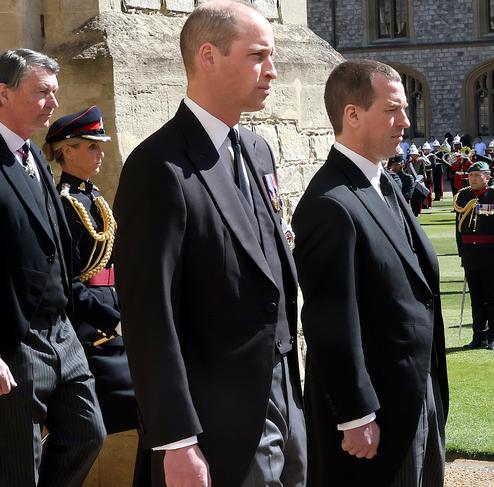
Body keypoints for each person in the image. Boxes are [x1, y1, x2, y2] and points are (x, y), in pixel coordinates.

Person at [113, 2, 307, 486]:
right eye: (258, 55)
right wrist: (176, 439)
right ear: (208, 56)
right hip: (216, 416)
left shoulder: (256, 150)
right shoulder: (159, 166)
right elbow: (149, 313)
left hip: (284, 393)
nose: (273, 72)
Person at [292, 59, 448, 487]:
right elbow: (330, 319)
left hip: (414, 391)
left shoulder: (385, 186)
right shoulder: (330, 203)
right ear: (353, 115)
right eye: (393, 109)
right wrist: (356, 413)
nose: (406, 121)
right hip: (377, 410)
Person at [0, 48, 106, 486]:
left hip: (61, 333)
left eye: (55, 93)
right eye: (42, 92)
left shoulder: (33, 158)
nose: (53, 103)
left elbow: (58, 250)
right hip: (15, 339)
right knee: (19, 465)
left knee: (88, 433)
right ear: (3, 94)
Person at [43, 106, 149, 485]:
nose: (100, 154)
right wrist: (113, 319)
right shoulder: (64, 203)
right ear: (67, 151)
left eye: (100, 147)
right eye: (91, 147)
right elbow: (69, 283)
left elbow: (114, 264)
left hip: (115, 321)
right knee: (94, 429)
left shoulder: (94, 199)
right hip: (92, 332)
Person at [453, 160, 494, 350]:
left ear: (487, 177)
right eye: (470, 175)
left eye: (477, 175)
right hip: (471, 254)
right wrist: (462, 252)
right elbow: (459, 227)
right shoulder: (462, 197)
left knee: (492, 298)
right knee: (476, 298)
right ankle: (478, 336)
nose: (472, 179)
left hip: (490, 254)